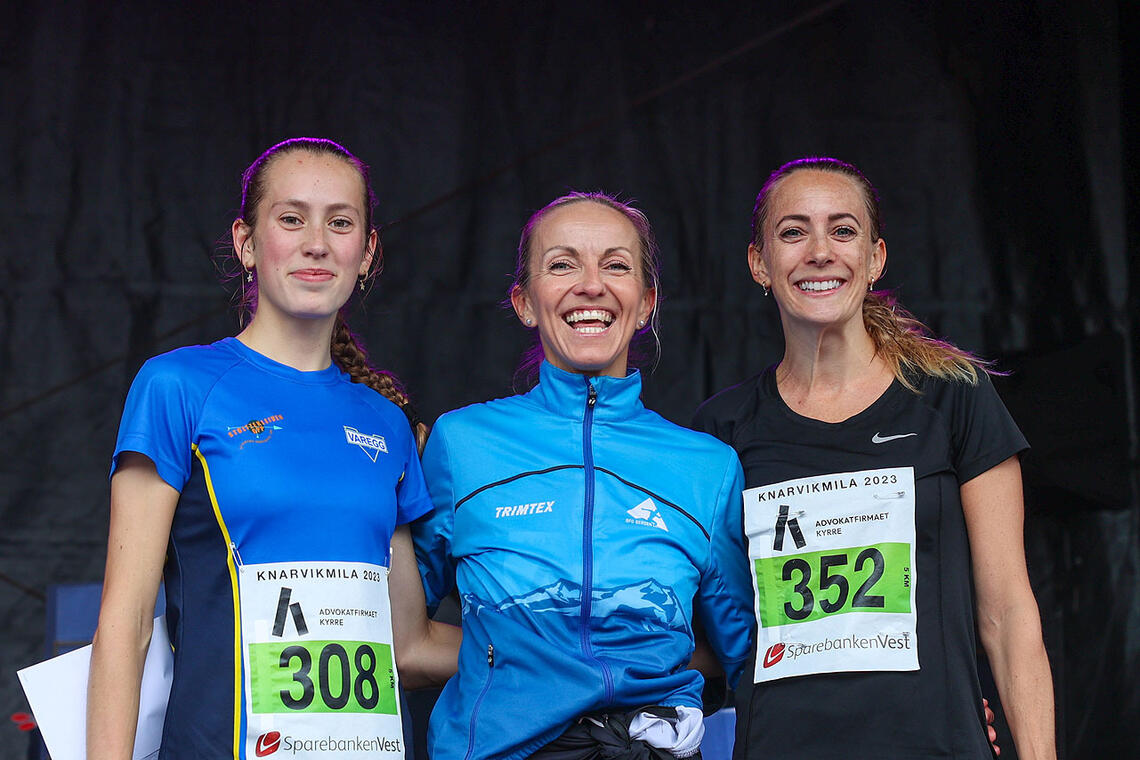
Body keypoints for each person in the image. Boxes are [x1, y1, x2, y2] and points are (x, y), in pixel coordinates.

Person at [87, 138, 459, 759]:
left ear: (366, 253)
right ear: (246, 241)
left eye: (340, 223)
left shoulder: (388, 422)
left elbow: (406, 646)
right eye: (292, 218)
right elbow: (122, 627)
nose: (317, 242)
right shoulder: (178, 386)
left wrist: (557, 649)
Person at [693, 157, 1056, 759]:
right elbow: (716, 628)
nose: (819, 251)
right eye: (792, 232)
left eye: (842, 230)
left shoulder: (952, 395)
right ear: (759, 263)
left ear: (875, 257)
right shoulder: (722, 429)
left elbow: (1008, 613)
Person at [412, 192, 754, 759]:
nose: (591, 285)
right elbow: (398, 630)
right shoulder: (461, 443)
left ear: (646, 303)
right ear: (524, 300)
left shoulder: (707, 466)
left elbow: (745, 654)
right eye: (563, 264)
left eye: (616, 265)